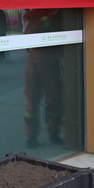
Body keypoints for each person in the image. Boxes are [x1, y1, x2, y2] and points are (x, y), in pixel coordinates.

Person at [22, 9, 64, 149]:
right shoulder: (36, 16)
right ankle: (33, 136)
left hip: (47, 63)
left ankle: (51, 133)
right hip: (39, 63)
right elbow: (31, 33)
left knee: (53, 100)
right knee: (33, 102)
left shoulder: (35, 16)